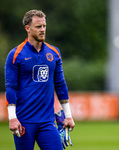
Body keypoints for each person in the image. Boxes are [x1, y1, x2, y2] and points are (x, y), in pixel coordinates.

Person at [5, 9, 75, 150]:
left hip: (47, 121)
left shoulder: (54, 52)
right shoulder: (15, 55)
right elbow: (11, 87)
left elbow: (60, 85)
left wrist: (68, 115)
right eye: (38, 27)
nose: (42, 30)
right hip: (24, 121)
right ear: (27, 28)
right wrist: (12, 117)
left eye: (44, 26)